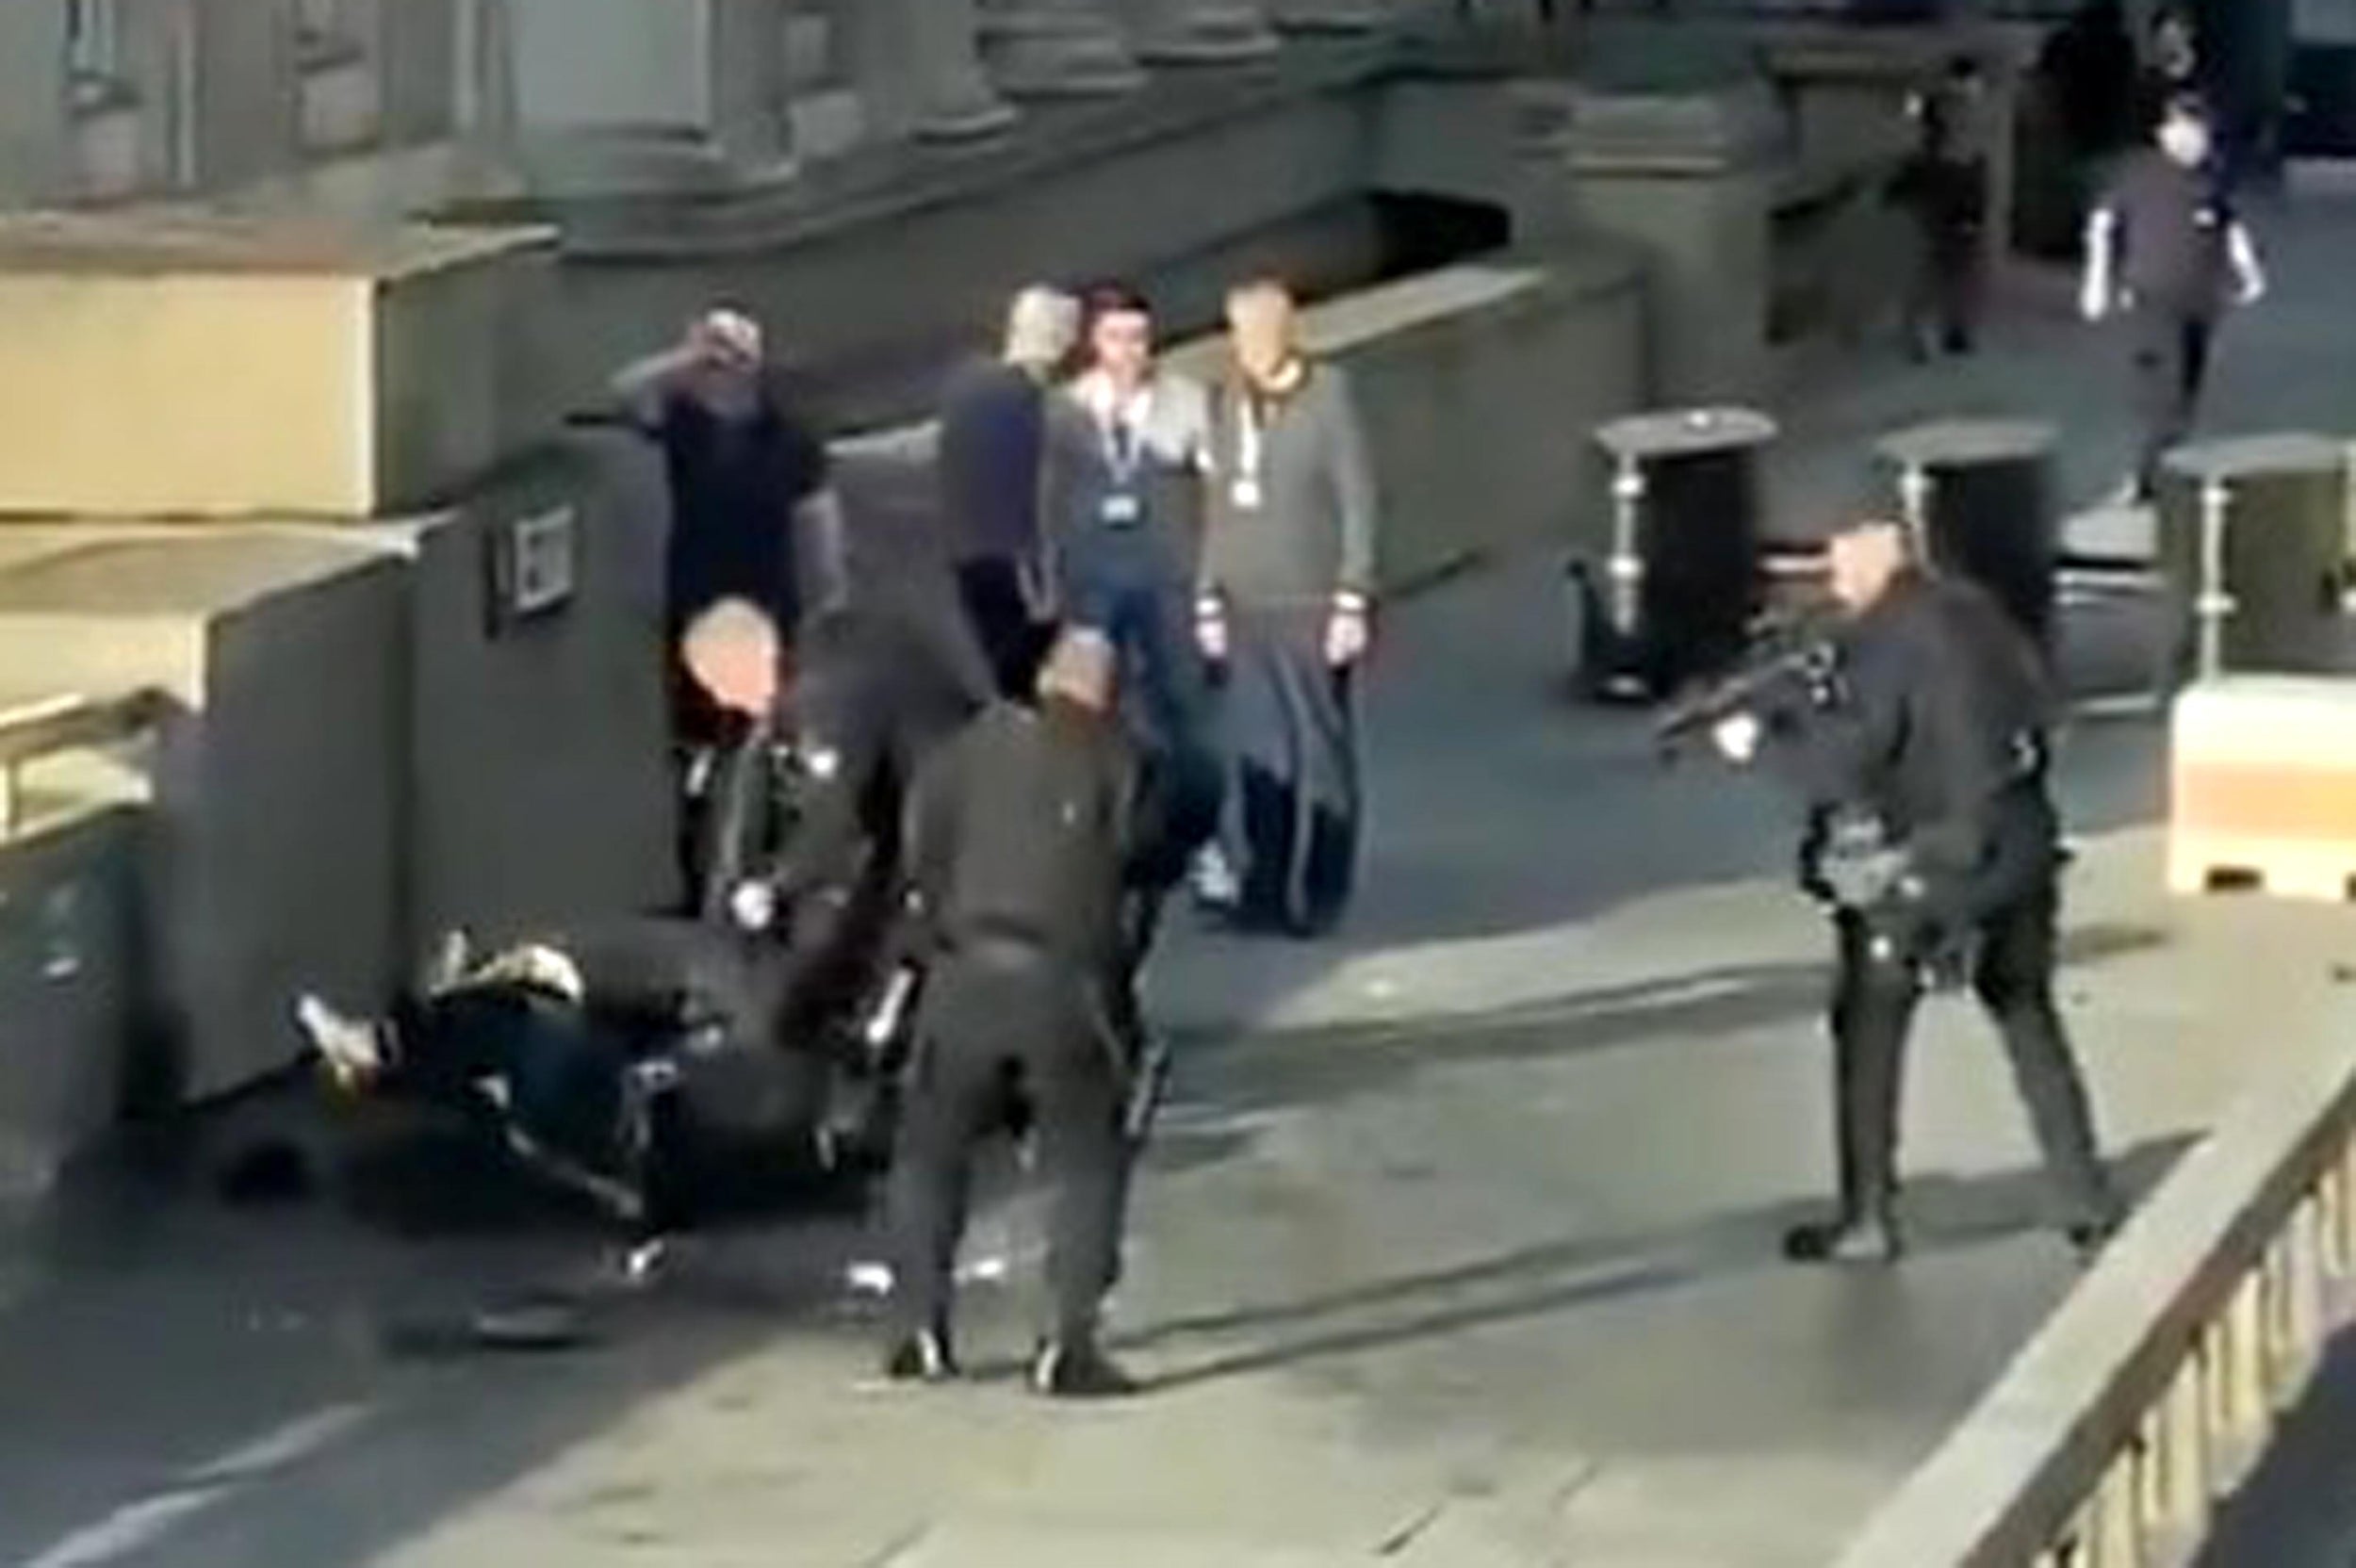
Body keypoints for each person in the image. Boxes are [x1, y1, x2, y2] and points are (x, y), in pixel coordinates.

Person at [1710, 519, 2124, 1266]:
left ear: (1873, 572)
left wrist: (1764, 742)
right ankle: (2084, 1196)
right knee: (2027, 1013)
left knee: (1869, 1023)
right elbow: (2038, 707)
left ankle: (1868, 1215)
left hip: (1932, 864)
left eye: (1841, 574)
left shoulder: (1885, 642)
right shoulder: (1979, 615)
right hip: (2019, 847)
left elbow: (1852, 760)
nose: (1834, 589)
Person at [880, 629, 1148, 1397]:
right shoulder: (1115, 758)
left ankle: (917, 1329)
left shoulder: (964, 751)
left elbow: (920, 850)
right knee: (1086, 1156)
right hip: (1064, 984)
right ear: (1105, 691)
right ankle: (1067, 1341)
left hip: (964, 973)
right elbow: (1138, 853)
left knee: (930, 1150)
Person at [610, 306, 849, 904]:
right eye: (718, 360)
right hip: (695, 616)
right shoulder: (685, 423)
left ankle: (757, 873)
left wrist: (825, 613)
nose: (726, 373)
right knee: (694, 757)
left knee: (760, 754)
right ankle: (698, 875)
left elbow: (819, 529)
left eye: (736, 359)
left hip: (767, 616)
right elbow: (623, 393)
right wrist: (684, 360)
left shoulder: (789, 437)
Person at [1191, 278, 1379, 936]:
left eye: (1264, 333)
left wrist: (1353, 596)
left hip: (1311, 601)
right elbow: (1214, 504)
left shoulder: (1329, 397)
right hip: (1246, 601)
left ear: (1288, 330)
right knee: (1261, 753)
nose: (1252, 348)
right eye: (1242, 335)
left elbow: (1358, 501)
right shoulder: (1227, 400)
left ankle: (1323, 890)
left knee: (1320, 751)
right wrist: (1206, 596)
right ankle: (1264, 889)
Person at [2080, 95, 2265, 503]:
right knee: (2161, 396)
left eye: (2198, 135)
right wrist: (2096, 283)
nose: (2190, 143)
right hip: (2150, 298)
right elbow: (2103, 224)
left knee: (2184, 396)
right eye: (2181, 132)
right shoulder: (2139, 175)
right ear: (2164, 133)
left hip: (2200, 302)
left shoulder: (2212, 180)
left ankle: (2164, 470)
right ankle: (2146, 476)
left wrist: (2249, 272)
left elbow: (2230, 226)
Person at [938, 286, 1082, 698]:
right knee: (1043, 675)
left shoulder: (963, 389)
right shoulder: (1034, 403)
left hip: (968, 557)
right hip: (1022, 560)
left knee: (1007, 673)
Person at [1888, 61, 1990, 361]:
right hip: (1960, 187)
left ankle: (1926, 332)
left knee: (1936, 263)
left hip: (1944, 187)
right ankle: (1949, 329)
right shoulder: (1970, 111)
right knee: (1956, 265)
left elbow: (1920, 149)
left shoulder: (1937, 107)